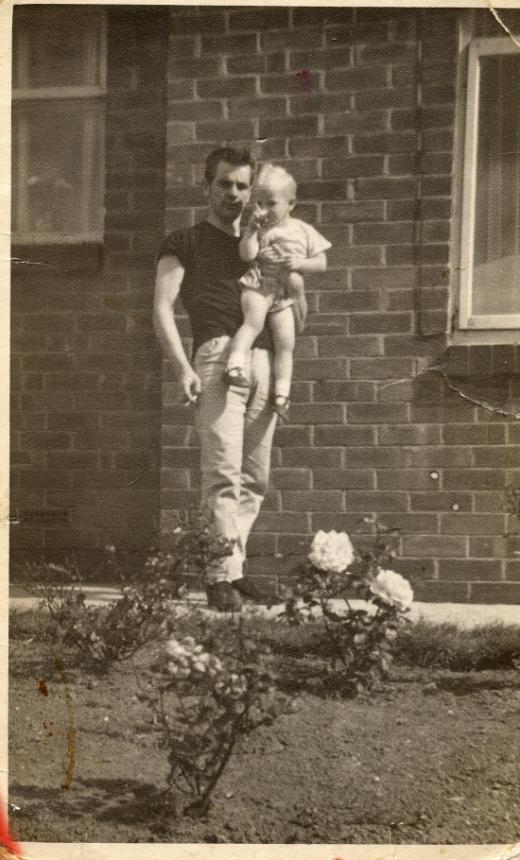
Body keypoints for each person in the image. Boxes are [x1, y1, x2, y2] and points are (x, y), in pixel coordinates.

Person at [153, 147, 296, 612]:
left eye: (240, 186)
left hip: (264, 362)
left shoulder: (262, 244)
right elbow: (161, 309)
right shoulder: (185, 241)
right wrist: (182, 368)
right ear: (206, 187)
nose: (232, 194)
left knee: (255, 478)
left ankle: (234, 570)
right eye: (223, 184)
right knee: (222, 476)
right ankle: (217, 576)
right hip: (217, 359)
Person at [224, 163, 331, 420]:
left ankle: (282, 394)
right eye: (259, 203)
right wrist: (251, 232)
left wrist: (301, 263)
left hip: (283, 294)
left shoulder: (302, 230)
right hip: (259, 283)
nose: (264, 210)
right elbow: (246, 254)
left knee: (286, 343)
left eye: (271, 204)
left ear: (290, 204)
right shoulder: (260, 228)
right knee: (253, 322)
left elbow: (322, 263)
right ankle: (234, 365)